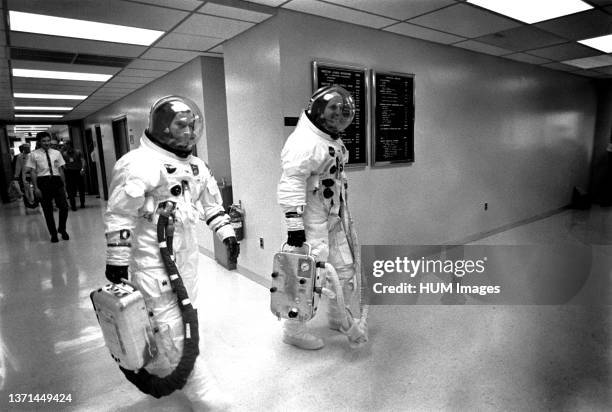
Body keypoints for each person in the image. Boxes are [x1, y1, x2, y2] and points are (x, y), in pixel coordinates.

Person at [104, 95, 240, 410]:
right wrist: (117, 261)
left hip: (185, 261)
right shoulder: (139, 164)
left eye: (193, 126)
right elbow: (119, 215)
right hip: (153, 263)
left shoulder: (195, 166)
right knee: (172, 324)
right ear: (164, 127)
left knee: (187, 315)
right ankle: (203, 393)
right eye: (182, 126)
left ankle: (176, 360)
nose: (190, 132)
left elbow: (212, 207)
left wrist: (227, 234)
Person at [277, 85, 367, 350]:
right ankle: (292, 330)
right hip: (310, 223)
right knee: (305, 278)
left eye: (344, 112)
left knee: (345, 271)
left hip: (334, 218)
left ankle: (338, 317)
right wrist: (294, 225)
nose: (338, 117)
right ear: (319, 111)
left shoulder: (332, 141)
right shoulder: (303, 142)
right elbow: (291, 182)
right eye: (333, 110)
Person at [25, 132, 70, 243]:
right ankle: (53, 233)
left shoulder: (57, 153)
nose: (47, 143)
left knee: (64, 207)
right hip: (43, 182)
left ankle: (62, 229)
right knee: (47, 210)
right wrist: (36, 188)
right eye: (44, 141)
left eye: (48, 140)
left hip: (56, 181)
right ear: (39, 142)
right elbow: (33, 172)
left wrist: (64, 185)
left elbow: (60, 169)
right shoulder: (33, 155)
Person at [61, 140, 86, 210]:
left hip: (78, 172)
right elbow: (62, 163)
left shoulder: (78, 152)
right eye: (65, 145)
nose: (65, 146)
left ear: (70, 145)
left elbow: (83, 160)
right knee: (70, 189)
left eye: (66, 145)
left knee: (81, 189)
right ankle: (73, 205)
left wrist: (83, 169)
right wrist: (64, 167)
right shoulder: (64, 154)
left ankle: (82, 203)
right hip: (69, 173)